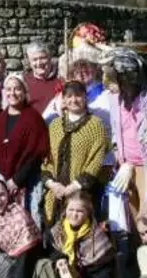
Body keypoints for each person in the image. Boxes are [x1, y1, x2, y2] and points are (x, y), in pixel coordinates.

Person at [26, 192, 115, 278]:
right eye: (71, 210)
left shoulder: (98, 236)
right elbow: (49, 251)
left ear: (88, 213)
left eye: (80, 211)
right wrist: (60, 258)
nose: (74, 215)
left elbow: (106, 271)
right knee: (42, 265)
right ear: (65, 211)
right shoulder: (56, 232)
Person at [103, 47, 147, 236]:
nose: (108, 84)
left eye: (113, 79)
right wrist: (120, 157)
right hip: (125, 166)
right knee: (131, 221)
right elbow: (115, 130)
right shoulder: (114, 99)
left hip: (146, 166)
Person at [41, 81, 108, 227]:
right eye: (69, 96)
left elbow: (96, 159)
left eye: (78, 95)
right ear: (63, 100)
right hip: (56, 190)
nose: (74, 100)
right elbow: (48, 158)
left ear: (85, 98)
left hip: (82, 192)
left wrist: (73, 187)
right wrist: (53, 185)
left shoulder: (96, 125)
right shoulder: (55, 125)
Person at [0, 74, 49, 214]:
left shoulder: (34, 119)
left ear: (25, 92)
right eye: (8, 89)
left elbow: (37, 154)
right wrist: (0, 182)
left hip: (27, 184)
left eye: (17, 89)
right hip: (1, 187)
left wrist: (16, 180)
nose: (12, 93)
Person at [43, 23, 111, 124]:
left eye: (86, 65)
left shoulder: (107, 95)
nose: (81, 70)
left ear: (96, 67)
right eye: (77, 66)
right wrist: (59, 113)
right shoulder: (62, 96)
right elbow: (45, 121)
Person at [23, 42, 62, 115]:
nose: (39, 63)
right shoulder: (24, 82)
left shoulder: (60, 79)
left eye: (42, 58)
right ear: (30, 62)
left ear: (50, 58)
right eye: (34, 60)